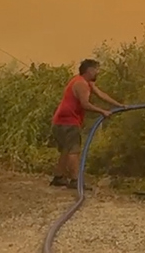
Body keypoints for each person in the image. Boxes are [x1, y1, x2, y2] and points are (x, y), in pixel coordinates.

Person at [50, 58, 124, 189]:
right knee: (73, 151)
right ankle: (75, 181)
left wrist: (120, 105)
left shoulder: (86, 82)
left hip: (61, 121)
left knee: (66, 150)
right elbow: (85, 104)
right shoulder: (81, 84)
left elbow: (101, 94)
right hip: (68, 121)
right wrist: (103, 111)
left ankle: (58, 177)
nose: (98, 72)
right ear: (89, 70)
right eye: (96, 69)